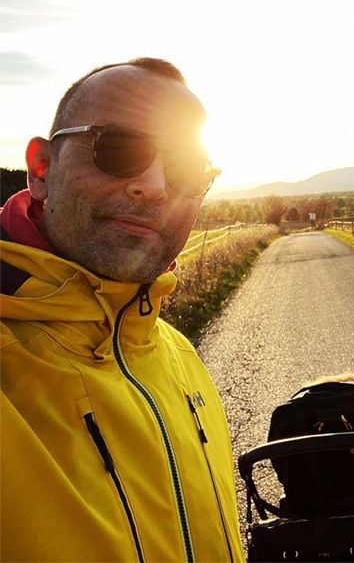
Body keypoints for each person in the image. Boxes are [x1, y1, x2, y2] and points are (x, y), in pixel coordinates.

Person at [0, 58, 245, 562]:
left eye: (185, 169)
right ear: (41, 169)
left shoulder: (176, 352)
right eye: (118, 149)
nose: (155, 185)